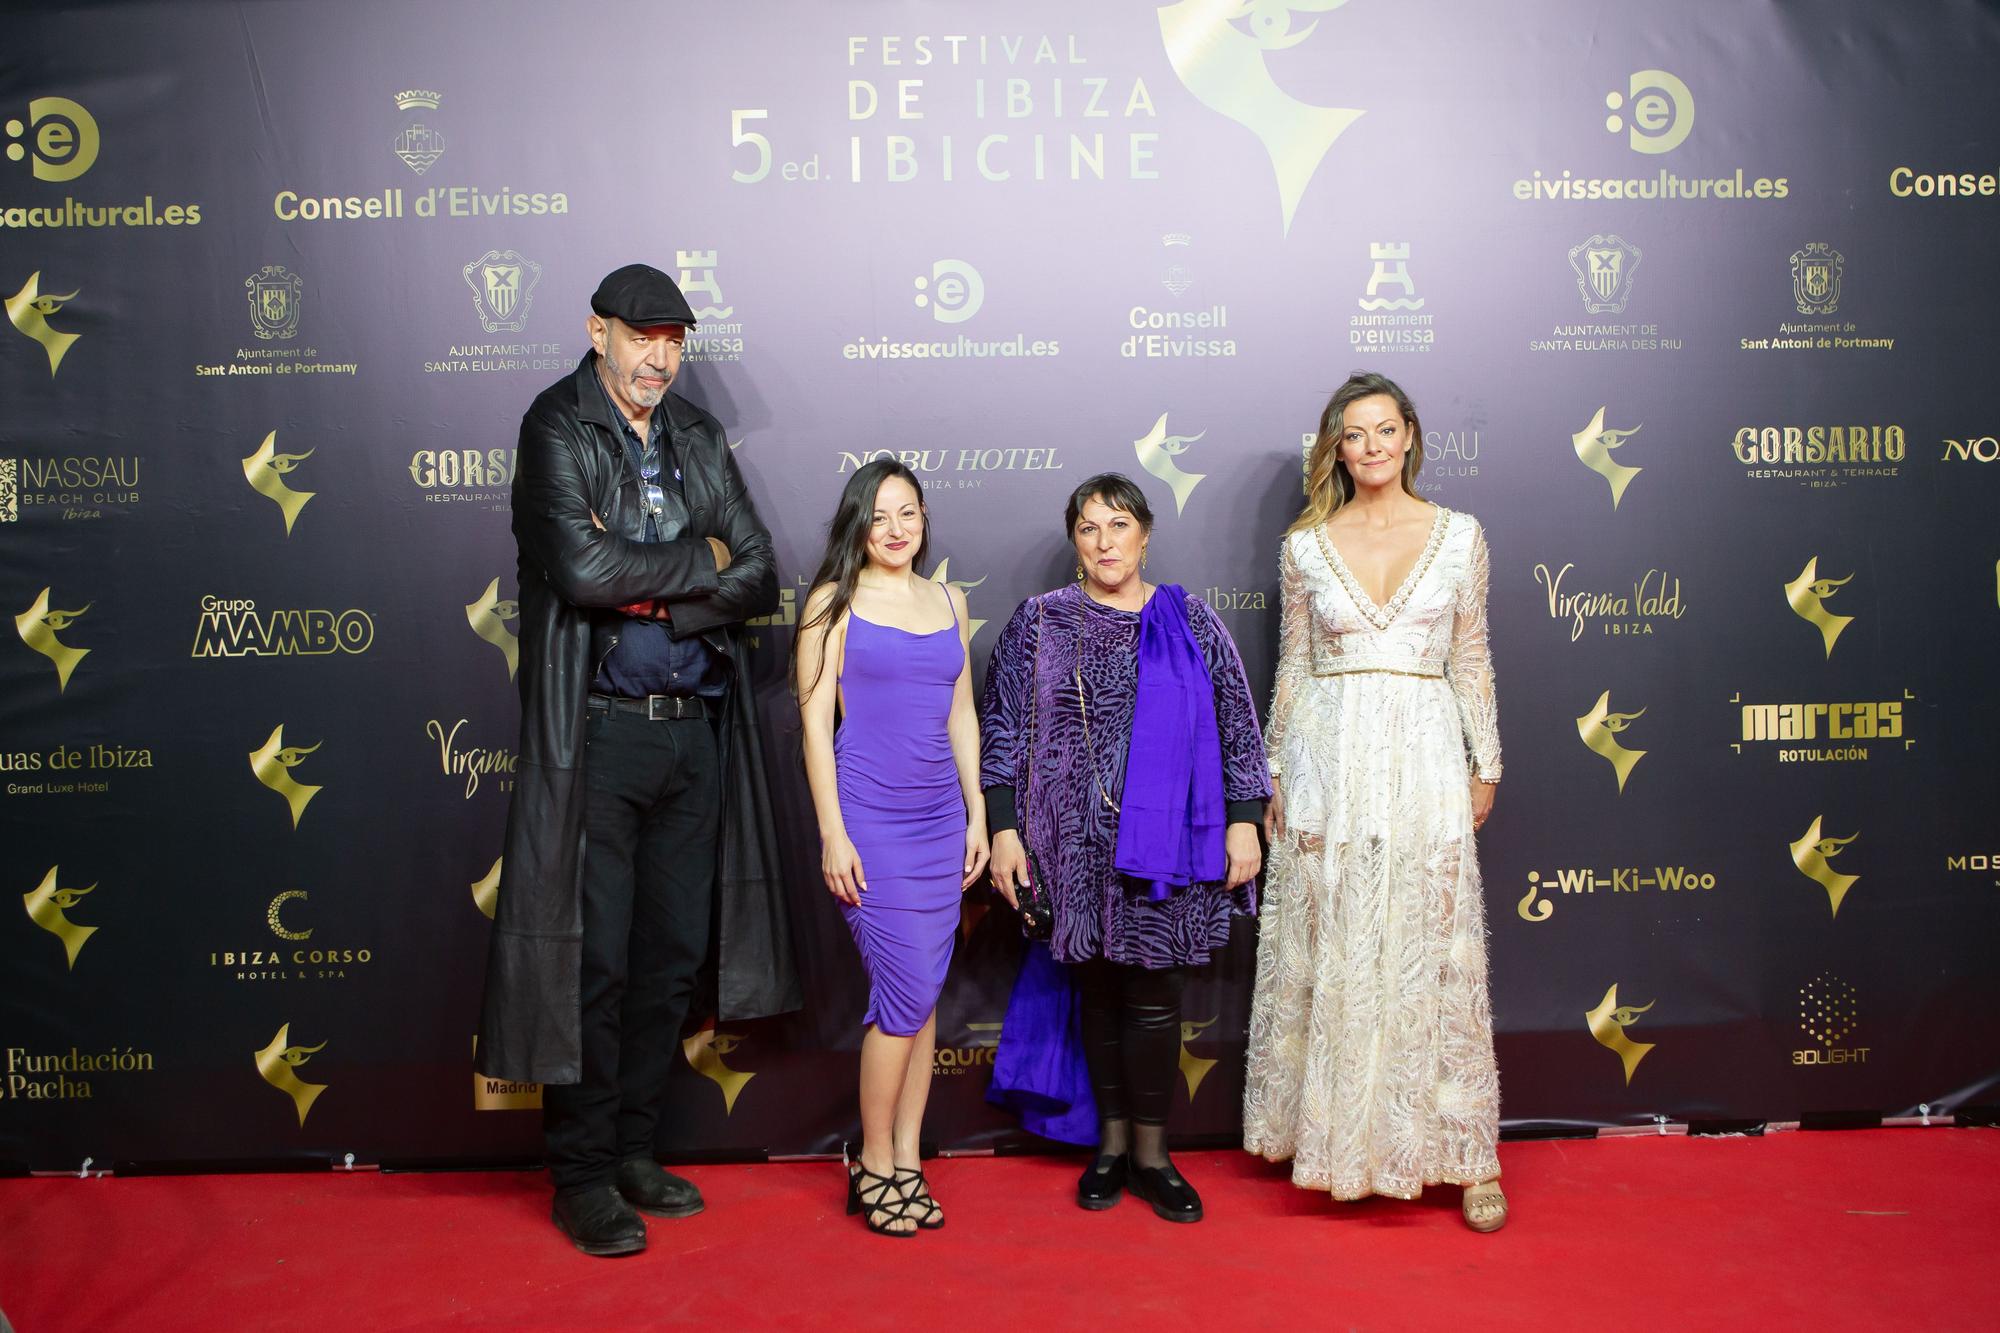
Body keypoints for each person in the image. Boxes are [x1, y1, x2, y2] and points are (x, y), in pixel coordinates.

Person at [476, 263, 800, 1257]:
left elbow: (755, 574)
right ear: (599, 331)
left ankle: (629, 1149)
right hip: (603, 732)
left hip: (693, 732)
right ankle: (577, 1172)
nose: (659, 356)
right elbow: (578, 567)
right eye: (642, 335)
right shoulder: (555, 424)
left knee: (667, 962)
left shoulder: (697, 434)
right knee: (597, 960)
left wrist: (659, 582)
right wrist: (692, 566)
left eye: (673, 339)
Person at [1242, 371, 1507, 1232]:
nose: (1371, 446)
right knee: (1338, 941)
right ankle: (1334, 1141)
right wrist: (1274, 771)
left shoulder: (1462, 537)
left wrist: (1486, 764)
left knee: (1430, 945)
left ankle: (1465, 1153)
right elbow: (1293, 665)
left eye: (1384, 429)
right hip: (1331, 758)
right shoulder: (1306, 546)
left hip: (1426, 759)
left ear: (1410, 434)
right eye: (1353, 434)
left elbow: (1470, 659)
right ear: (1336, 447)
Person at [982, 473, 1269, 1224]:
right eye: (1088, 527)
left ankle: (1152, 1153)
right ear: (1075, 542)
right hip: (1066, 845)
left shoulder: (1192, 621)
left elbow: (1239, 726)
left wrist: (1244, 818)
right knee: (1098, 995)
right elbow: (1003, 729)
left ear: (1145, 534)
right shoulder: (1039, 623)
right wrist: (1004, 828)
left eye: (1118, 524)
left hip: (1167, 850)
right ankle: (1108, 1147)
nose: (1104, 540)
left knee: (1152, 1001)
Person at [793, 460, 989, 1236]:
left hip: (941, 819)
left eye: (908, 512)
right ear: (858, 526)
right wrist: (832, 831)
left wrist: (977, 813)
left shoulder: (949, 599)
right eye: (880, 517)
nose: (897, 529)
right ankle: (872, 1161)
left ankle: (908, 1154)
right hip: (870, 819)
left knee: (924, 991)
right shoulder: (829, 604)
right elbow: (814, 725)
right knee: (903, 995)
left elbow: (962, 714)